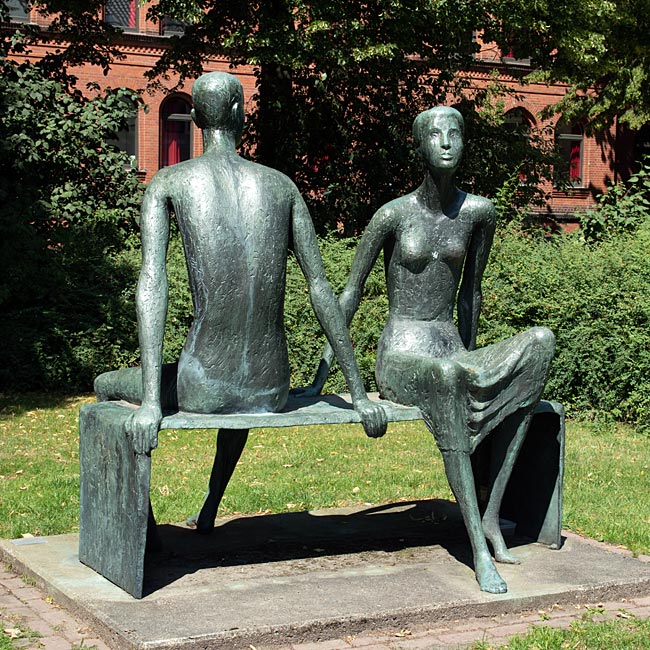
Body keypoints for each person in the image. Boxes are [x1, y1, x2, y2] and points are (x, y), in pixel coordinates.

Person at [94, 71, 386, 532]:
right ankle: (211, 506)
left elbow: (153, 283)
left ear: (193, 118)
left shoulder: (169, 182)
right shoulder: (281, 185)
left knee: (106, 383)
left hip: (202, 387)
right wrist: (359, 392)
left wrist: (152, 402)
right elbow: (321, 289)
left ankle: (143, 528)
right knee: (240, 395)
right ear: (240, 113)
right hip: (270, 387)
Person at [306, 106, 555, 593]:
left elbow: (471, 295)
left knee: (541, 344)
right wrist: (325, 374)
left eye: (455, 133)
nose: (445, 142)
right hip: (401, 355)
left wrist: (475, 360)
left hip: (449, 350)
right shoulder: (393, 216)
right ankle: (479, 554)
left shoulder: (479, 213)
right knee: (446, 379)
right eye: (434, 134)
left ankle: (491, 513)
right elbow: (350, 294)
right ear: (418, 146)